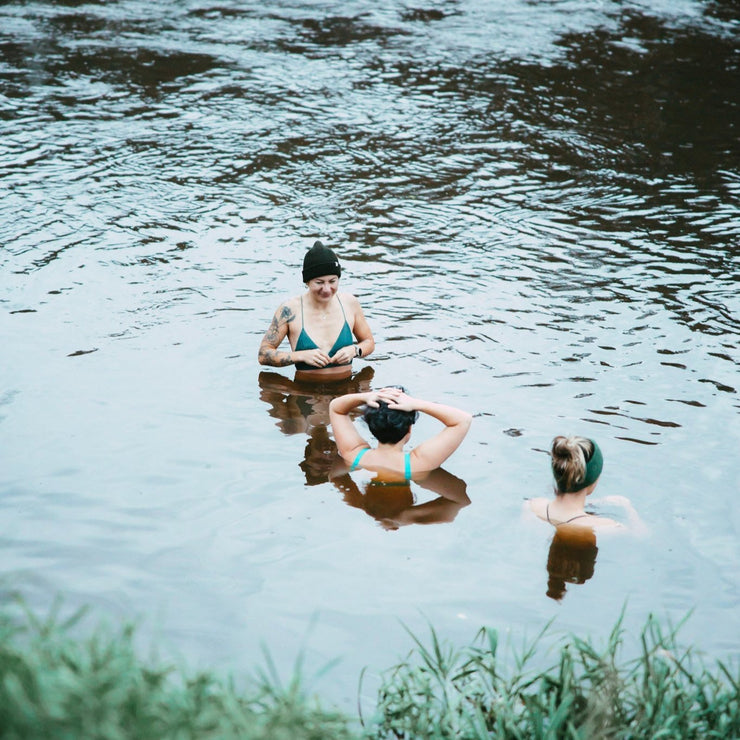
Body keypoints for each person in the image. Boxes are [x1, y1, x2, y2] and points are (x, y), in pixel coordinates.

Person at [258, 240, 375, 381]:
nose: (326, 289)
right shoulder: (289, 310)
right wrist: (300, 356)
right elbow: (263, 354)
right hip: (305, 391)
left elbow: (369, 342)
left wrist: (355, 350)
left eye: (332, 281)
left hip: (346, 391)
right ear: (307, 282)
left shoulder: (350, 303)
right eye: (319, 282)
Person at [329, 386, 472, 481]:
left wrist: (367, 396)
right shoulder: (417, 464)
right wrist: (416, 404)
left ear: (371, 427)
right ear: (409, 429)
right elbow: (463, 420)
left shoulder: (354, 455)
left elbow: (336, 408)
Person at [527, 435, 644, 532]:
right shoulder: (607, 527)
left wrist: (594, 503)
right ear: (592, 479)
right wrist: (627, 506)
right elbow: (642, 535)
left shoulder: (532, 507)